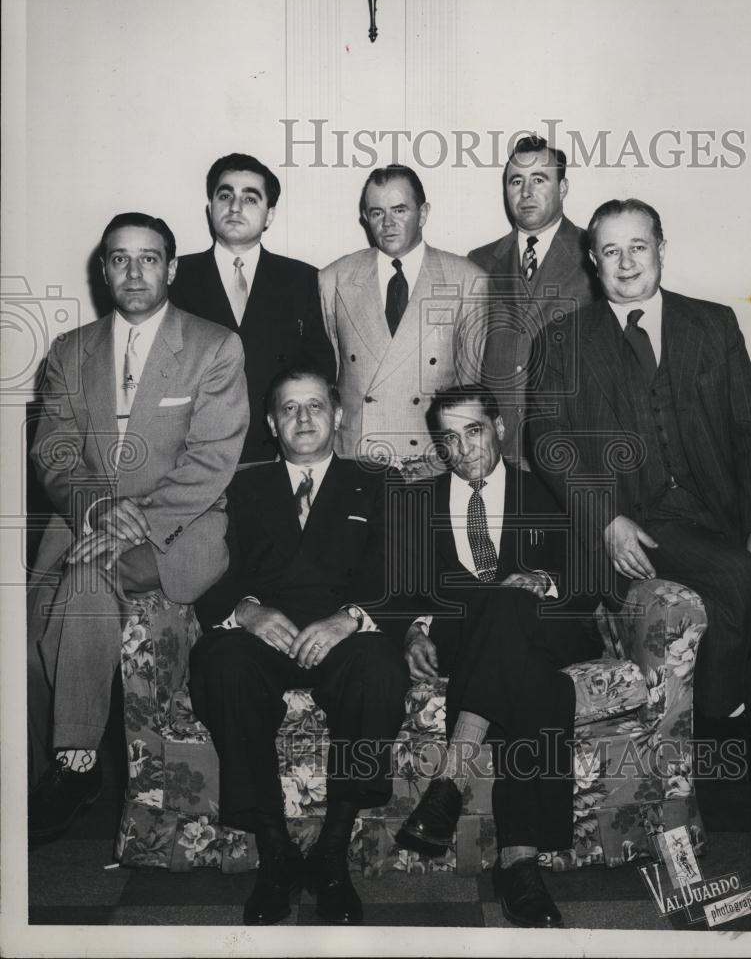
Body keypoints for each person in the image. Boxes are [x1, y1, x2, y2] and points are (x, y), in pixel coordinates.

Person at [527, 198, 751, 808]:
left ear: (661, 247)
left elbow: (750, 431)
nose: (626, 261)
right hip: (633, 524)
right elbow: (547, 440)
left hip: (713, 515)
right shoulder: (562, 339)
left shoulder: (713, 324)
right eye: (610, 250)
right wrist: (606, 519)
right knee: (740, 574)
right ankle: (720, 715)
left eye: (638, 246)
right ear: (592, 261)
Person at [28, 212, 248, 840]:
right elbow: (55, 451)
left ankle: (74, 764)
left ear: (172, 268)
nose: (134, 272)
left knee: (85, 584)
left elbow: (213, 457)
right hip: (87, 521)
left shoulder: (214, 345)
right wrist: (99, 509)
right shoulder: (70, 351)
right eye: (119, 259)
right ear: (104, 269)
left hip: (180, 525)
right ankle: (71, 760)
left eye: (149, 258)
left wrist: (138, 520)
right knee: (56, 609)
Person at [188, 366, 408, 927]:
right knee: (223, 662)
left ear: (338, 415)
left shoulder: (379, 481)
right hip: (267, 635)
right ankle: (275, 854)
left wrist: (350, 619)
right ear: (271, 422)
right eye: (289, 408)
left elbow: (405, 576)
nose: (303, 418)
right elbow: (208, 572)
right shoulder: (240, 485)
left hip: (344, 636)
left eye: (315, 406)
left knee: (379, 668)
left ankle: (333, 852)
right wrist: (248, 611)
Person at [395, 385, 602, 928]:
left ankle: (447, 787)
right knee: (534, 682)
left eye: (475, 431)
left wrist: (545, 580)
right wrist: (415, 631)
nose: (463, 450)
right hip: (470, 640)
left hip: (551, 626)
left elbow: (590, 580)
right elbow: (402, 591)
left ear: (500, 428)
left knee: (512, 606)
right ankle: (519, 862)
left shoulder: (547, 492)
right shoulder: (417, 502)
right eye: (449, 439)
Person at [319, 164, 487, 474]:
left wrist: (441, 462)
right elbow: (329, 377)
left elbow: (468, 390)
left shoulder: (466, 280)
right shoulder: (334, 279)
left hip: (429, 461)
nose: (388, 224)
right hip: (355, 459)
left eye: (400, 210)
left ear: (423, 213)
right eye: (377, 213)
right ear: (365, 218)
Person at [170, 152, 335, 463]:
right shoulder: (176, 277)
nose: (234, 207)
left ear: (269, 215)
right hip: (193, 453)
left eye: (250, 198)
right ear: (210, 209)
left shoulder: (302, 279)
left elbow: (320, 368)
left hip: (274, 455)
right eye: (225, 196)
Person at [471, 134, 598, 468]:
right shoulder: (479, 262)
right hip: (498, 456)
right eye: (516, 181)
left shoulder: (597, 256)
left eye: (538, 179)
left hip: (572, 454)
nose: (526, 193)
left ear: (563, 187)